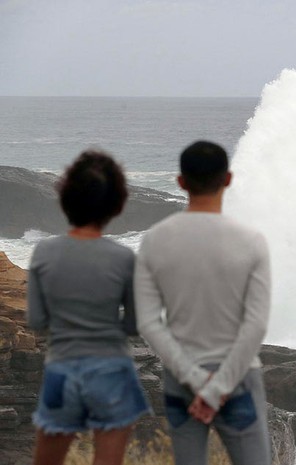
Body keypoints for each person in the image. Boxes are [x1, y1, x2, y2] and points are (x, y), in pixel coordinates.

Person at [134, 140, 272, 465]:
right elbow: (256, 325)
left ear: (181, 182)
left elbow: (148, 323)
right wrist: (218, 387)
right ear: (227, 179)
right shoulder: (251, 241)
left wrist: (197, 382)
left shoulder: (155, 240)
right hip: (237, 380)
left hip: (181, 381)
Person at [27, 150, 151, 465]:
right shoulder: (124, 258)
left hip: (62, 367)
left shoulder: (43, 252)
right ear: (117, 204)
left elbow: (38, 320)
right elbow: (135, 325)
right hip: (111, 369)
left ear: (65, 199)